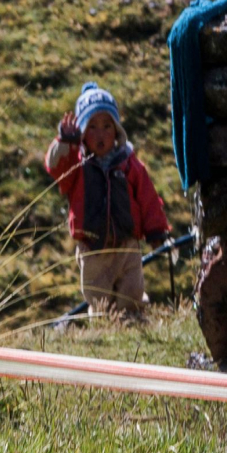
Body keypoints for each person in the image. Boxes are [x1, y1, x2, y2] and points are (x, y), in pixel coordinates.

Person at [45, 82, 171, 319]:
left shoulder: (128, 163)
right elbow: (55, 168)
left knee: (132, 288)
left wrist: (156, 231)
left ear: (117, 130)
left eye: (106, 126)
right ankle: (104, 323)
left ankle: (131, 317)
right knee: (98, 295)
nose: (100, 134)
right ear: (81, 133)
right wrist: (65, 142)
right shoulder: (76, 165)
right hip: (93, 249)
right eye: (91, 127)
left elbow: (148, 198)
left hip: (127, 243)